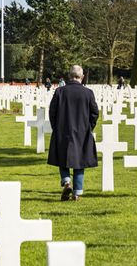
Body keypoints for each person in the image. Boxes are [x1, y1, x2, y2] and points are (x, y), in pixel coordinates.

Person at [47, 65, 99, 201]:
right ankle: (77, 193)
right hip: (82, 131)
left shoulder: (60, 91)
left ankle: (66, 181)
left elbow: (52, 112)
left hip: (63, 130)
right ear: (81, 77)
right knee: (80, 161)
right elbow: (95, 113)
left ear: (69, 76)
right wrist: (89, 127)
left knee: (62, 158)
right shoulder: (88, 93)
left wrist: (56, 128)